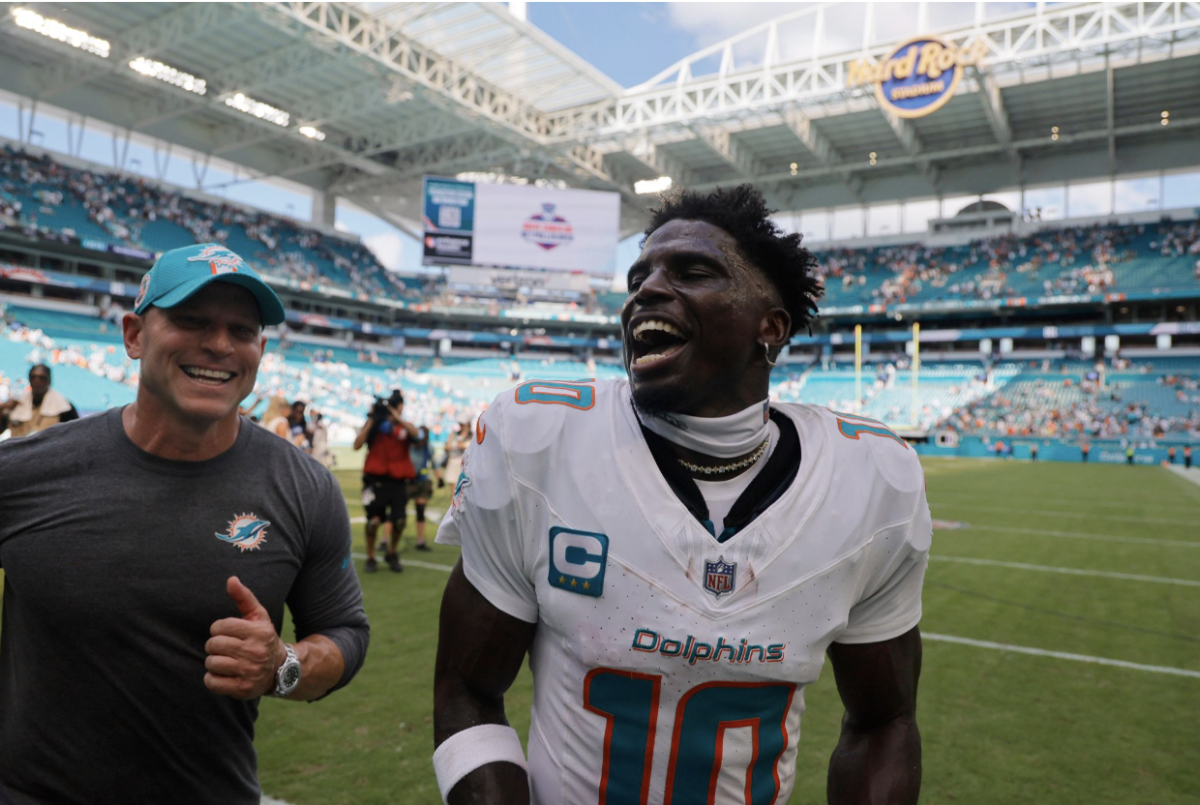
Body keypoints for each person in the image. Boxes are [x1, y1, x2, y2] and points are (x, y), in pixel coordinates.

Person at [433, 185, 930, 805]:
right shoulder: (539, 440)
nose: (646, 289)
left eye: (692, 271)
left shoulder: (873, 480)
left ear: (769, 328)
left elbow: (885, 720)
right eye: (639, 274)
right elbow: (467, 690)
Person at [0, 243, 369, 805]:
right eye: (190, 321)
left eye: (241, 330)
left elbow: (346, 633)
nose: (219, 345)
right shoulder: (26, 472)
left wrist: (282, 666)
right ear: (134, 335)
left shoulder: (304, 488)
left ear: (260, 350)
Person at [353, 389, 418, 573]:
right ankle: (371, 556)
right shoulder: (374, 426)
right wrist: (373, 419)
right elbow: (357, 445)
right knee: (373, 521)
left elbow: (417, 436)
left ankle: (391, 552)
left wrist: (397, 419)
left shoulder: (404, 427)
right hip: (375, 481)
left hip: (398, 481)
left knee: (399, 521)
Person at [0, 364, 78, 438]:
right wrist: (2, 408)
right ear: (29, 380)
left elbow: (75, 435)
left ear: (49, 380)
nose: (37, 381)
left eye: (42, 378)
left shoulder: (64, 407)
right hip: (19, 450)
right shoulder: (15, 404)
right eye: (33, 377)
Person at [407, 425, 445, 551]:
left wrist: (439, 478)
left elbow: (435, 464)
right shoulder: (408, 446)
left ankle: (420, 540)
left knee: (420, 511)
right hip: (406, 481)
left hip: (422, 481)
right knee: (397, 513)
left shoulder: (428, 447)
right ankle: (385, 540)